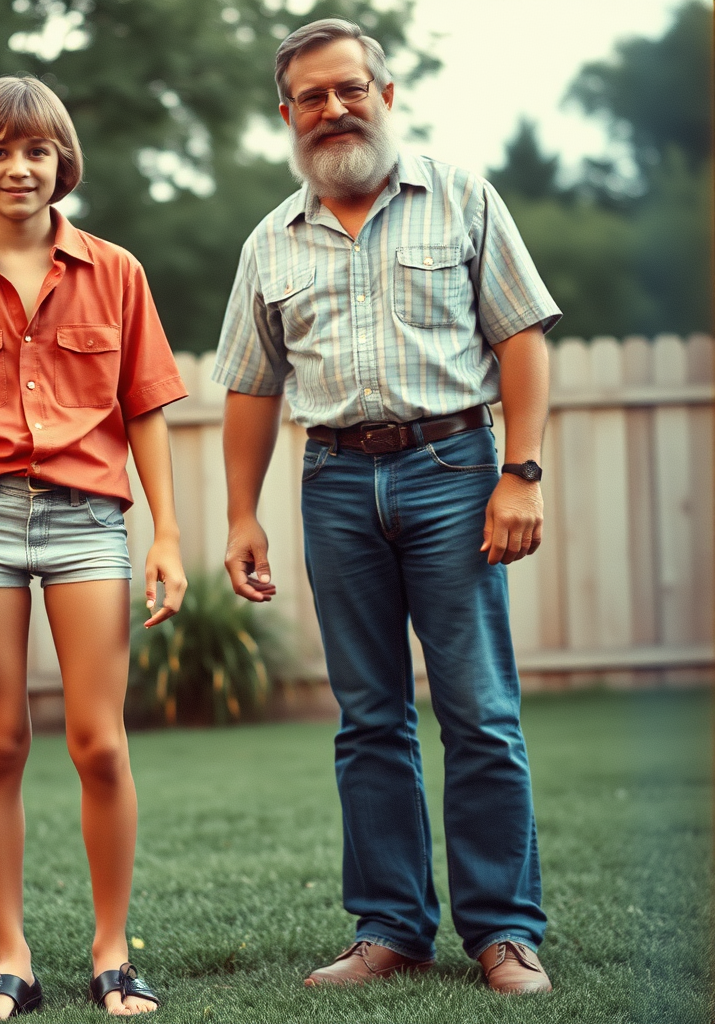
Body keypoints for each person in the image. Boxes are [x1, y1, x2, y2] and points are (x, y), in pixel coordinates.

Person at [214, 19, 560, 995]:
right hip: (331, 485)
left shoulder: (461, 200)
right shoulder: (268, 242)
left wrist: (519, 473)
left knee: (478, 712)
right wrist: (241, 513)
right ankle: (391, 927)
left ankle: (502, 934)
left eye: (349, 89)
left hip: (452, 470)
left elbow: (523, 339)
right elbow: (249, 388)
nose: (333, 109)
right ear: (286, 115)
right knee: (367, 718)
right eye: (311, 98)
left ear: (385, 93)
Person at [0, 75, 187, 1019]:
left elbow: (146, 412)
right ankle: (11, 957)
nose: (20, 168)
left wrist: (166, 535)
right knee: (0, 741)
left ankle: (112, 953)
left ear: (63, 163)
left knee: (100, 743)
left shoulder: (116, 272)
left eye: (37, 151)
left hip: (87, 522)